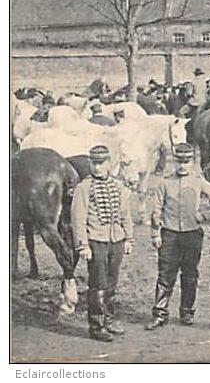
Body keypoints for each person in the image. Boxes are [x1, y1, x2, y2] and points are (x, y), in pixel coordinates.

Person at [145, 143, 210, 330]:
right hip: (169, 234)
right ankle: (160, 314)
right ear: (175, 161)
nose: (182, 165)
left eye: (186, 162)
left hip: (192, 234)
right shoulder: (164, 182)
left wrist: (204, 215)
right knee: (165, 275)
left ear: (192, 162)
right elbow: (155, 210)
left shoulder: (198, 181)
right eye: (179, 161)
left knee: (190, 274)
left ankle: (187, 311)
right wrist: (155, 233)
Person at [70, 145, 134, 342]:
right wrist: (83, 245)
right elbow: (78, 219)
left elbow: (125, 214)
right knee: (98, 284)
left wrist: (129, 238)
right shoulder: (83, 188)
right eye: (94, 163)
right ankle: (96, 326)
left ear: (109, 163)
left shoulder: (118, 186)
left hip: (116, 240)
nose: (97, 168)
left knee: (111, 282)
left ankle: (110, 319)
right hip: (96, 241)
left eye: (101, 163)